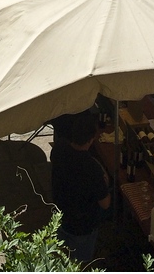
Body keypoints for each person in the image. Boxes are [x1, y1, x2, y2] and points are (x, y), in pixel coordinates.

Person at [50, 112, 110, 263]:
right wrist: (106, 183)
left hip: (61, 214)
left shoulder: (59, 149)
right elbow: (105, 203)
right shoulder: (91, 168)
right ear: (91, 140)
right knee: (79, 263)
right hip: (82, 225)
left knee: (61, 255)